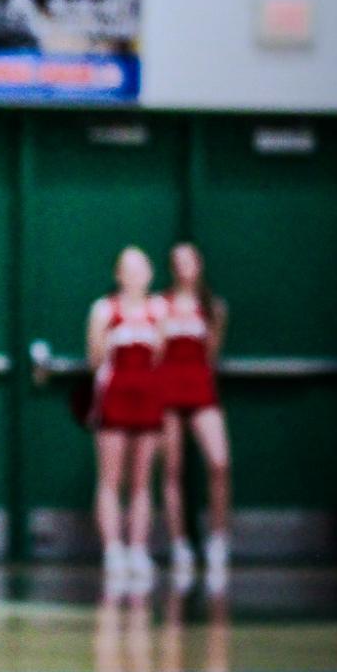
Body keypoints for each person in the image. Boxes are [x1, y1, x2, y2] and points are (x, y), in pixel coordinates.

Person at [87, 247, 166, 592]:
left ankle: (137, 549)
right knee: (111, 477)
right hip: (115, 394)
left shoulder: (158, 310)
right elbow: (95, 357)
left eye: (141, 269)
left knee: (142, 479)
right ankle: (113, 550)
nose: (135, 275)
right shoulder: (105, 309)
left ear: (149, 274)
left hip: (147, 396)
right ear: (119, 274)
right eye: (128, 269)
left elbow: (161, 354)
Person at [159, 243, 231, 591]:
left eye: (190, 260)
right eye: (178, 262)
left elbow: (213, 354)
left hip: (201, 389)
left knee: (219, 462)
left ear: (200, 264)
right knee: (172, 469)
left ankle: (218, 539)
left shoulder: (213, 308)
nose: (184, 267)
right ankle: (180, 545)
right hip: (168, 391)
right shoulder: (161, 305)